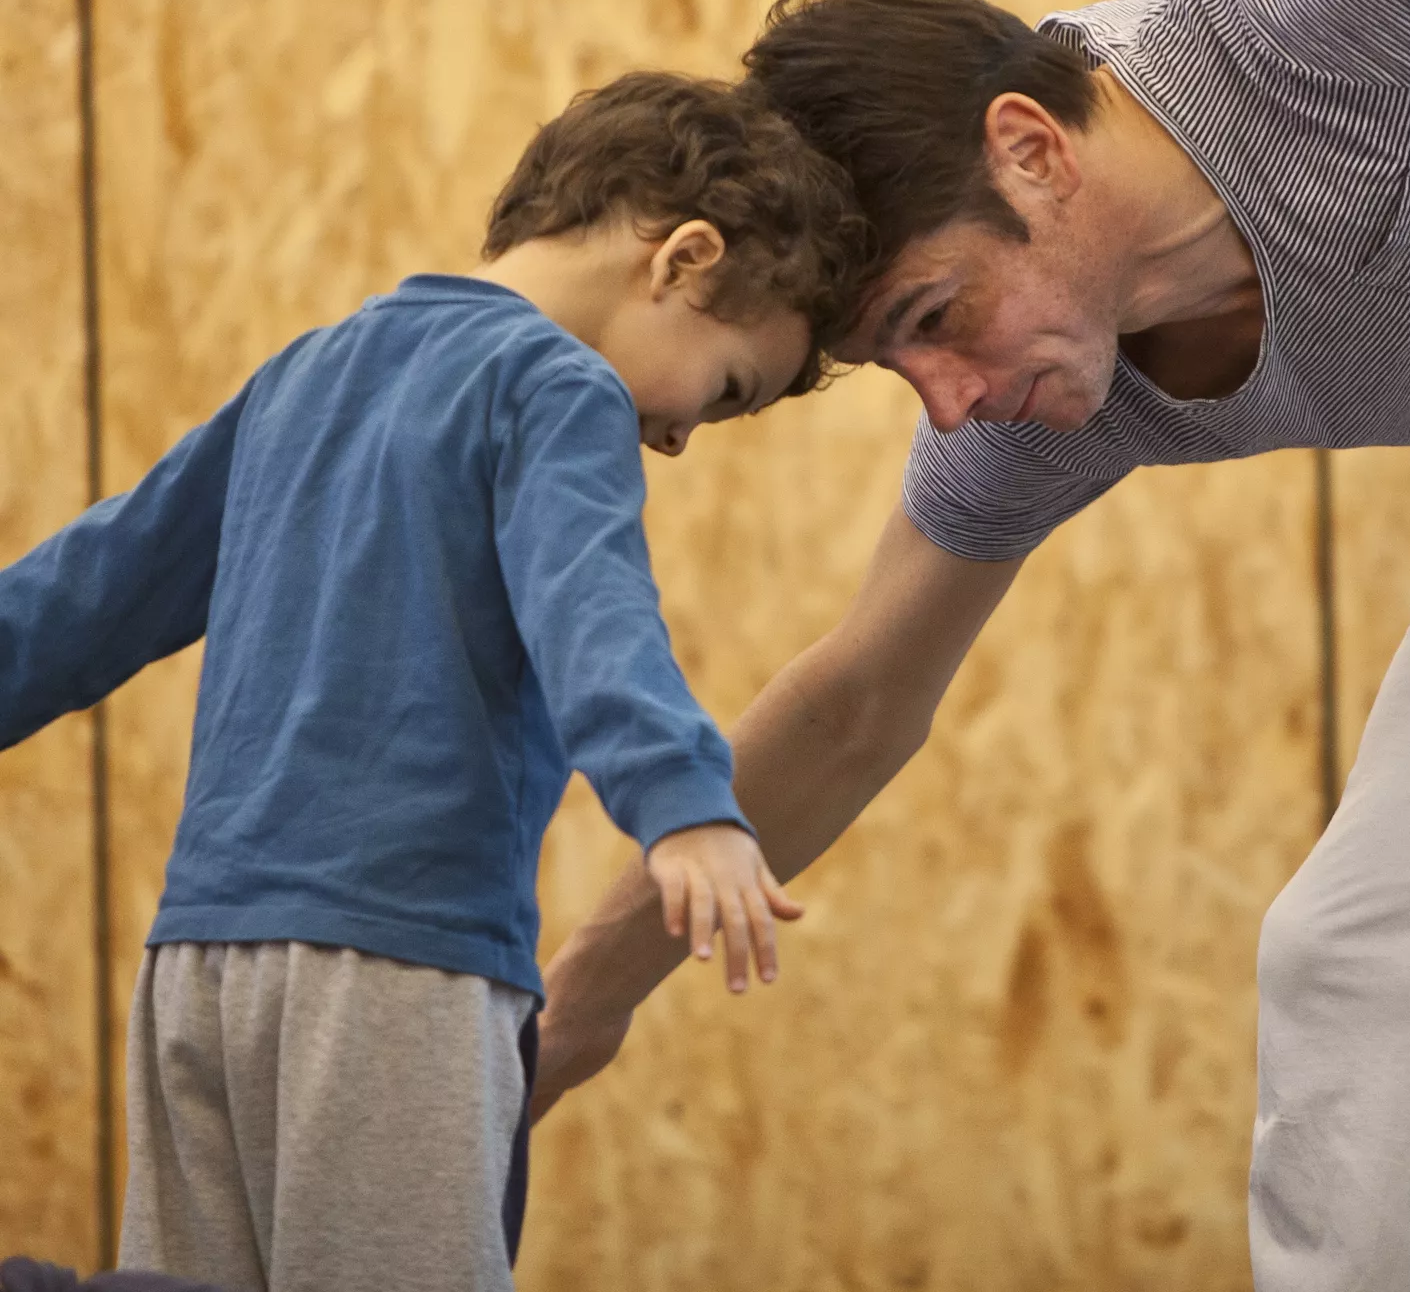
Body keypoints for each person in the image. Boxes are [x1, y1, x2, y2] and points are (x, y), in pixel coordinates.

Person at [535, 0, 1410, 1290]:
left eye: (935, 313)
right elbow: (856, 700)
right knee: (1366, 967)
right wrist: (569, 1006)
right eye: (893, 362)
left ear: (1029, 147)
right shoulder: (1051, 396)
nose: (946, 399)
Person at [0, 72, 867, 1292]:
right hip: (396, 963)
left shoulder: (311, 369)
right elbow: (592, 609)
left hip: (200, 966)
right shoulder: (559, 388)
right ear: (683, 255)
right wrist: (685, 801)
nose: (672, 439)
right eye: (725, 389)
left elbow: (90, 589)